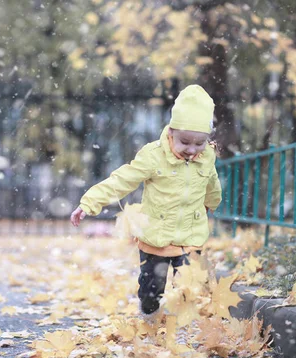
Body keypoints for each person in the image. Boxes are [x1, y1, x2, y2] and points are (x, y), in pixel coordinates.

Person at [70, 84, 222, 322]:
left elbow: (211, 184)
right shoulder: (153, 156)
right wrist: (89, 203)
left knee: (191, 286)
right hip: (156, 238)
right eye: (185, 141)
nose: (192, 150)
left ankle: (179, 321)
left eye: (199, 143)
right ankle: (150, 315)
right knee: (152, 291)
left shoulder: (207, 157)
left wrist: (212, 203)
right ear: (171, 132)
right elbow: (122, 180)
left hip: (191, 236)